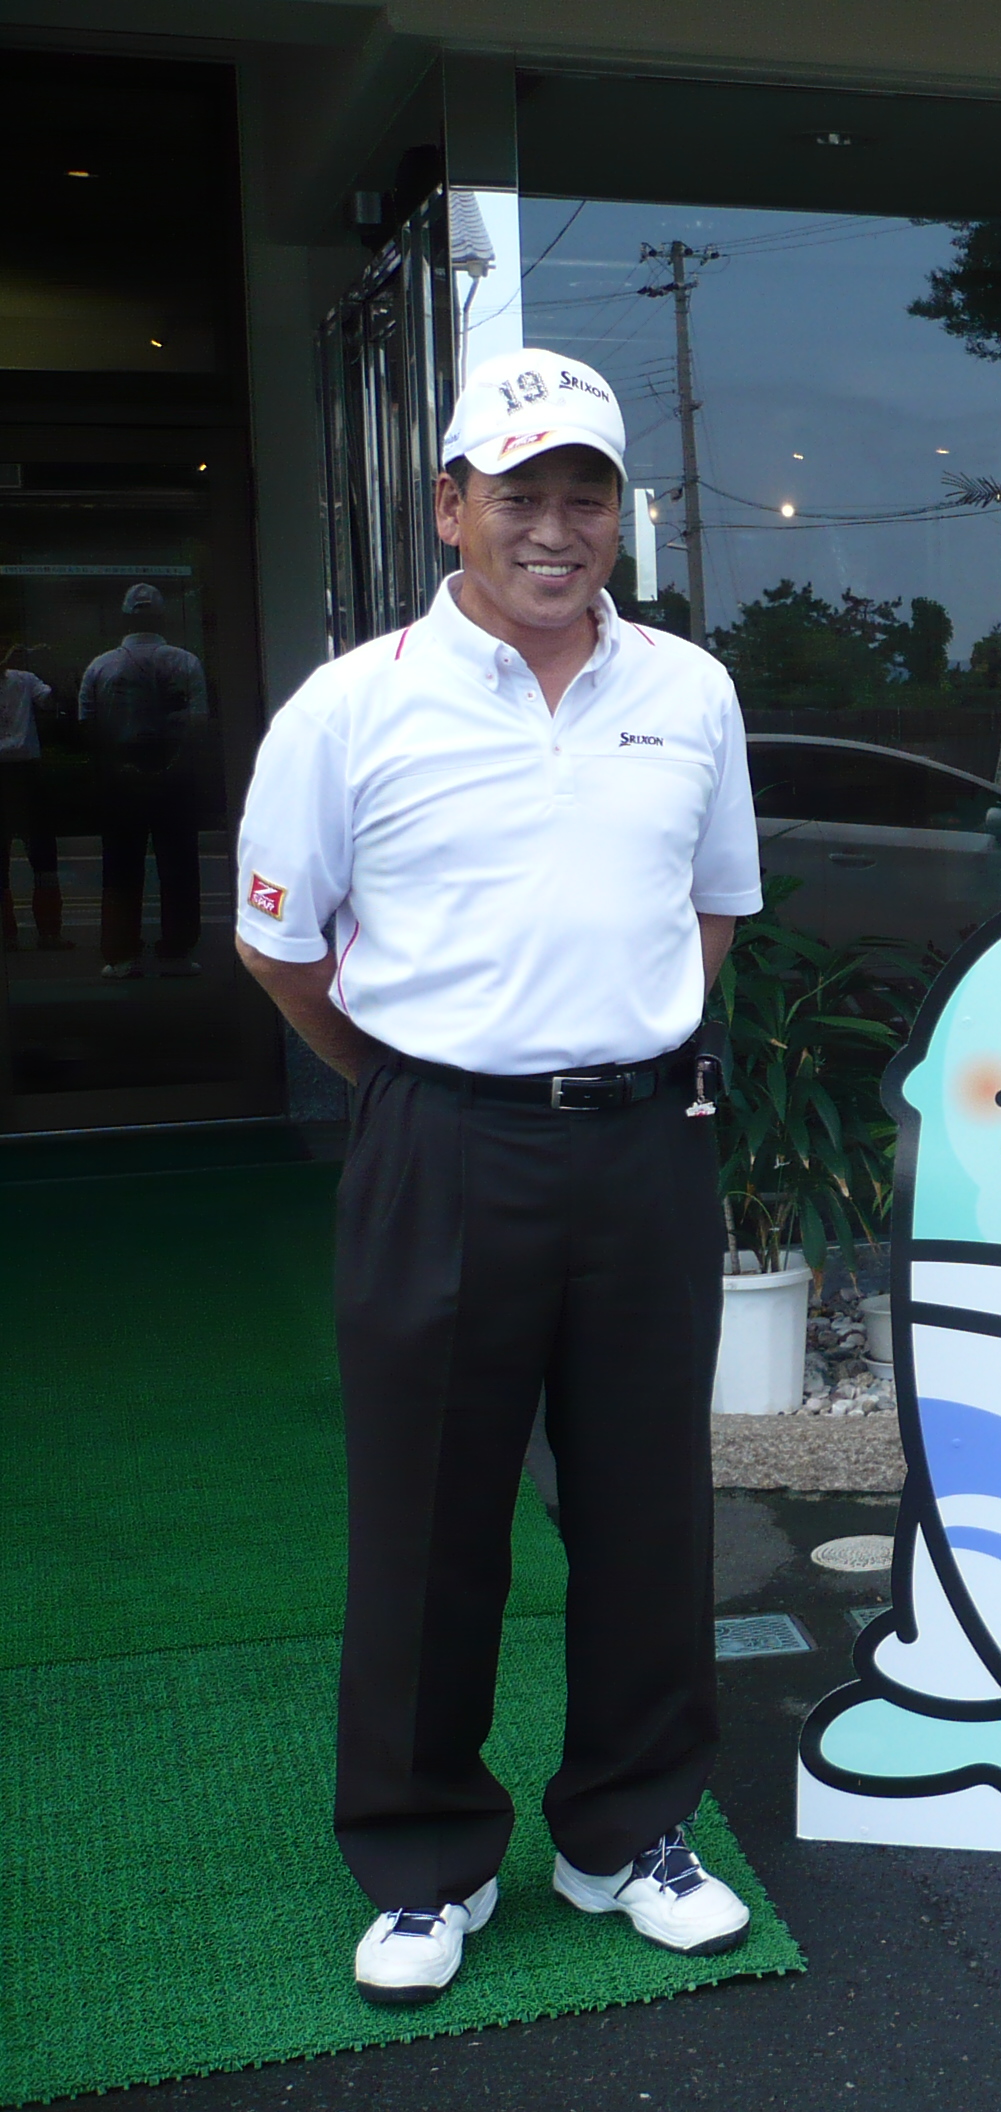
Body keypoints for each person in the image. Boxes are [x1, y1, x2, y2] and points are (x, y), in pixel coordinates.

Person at [235, 348, 763, 2007]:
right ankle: (423, 1860)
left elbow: (714, 910)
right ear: (449, 504)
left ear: (621, 514)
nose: (555, 526)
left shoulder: (689, 689)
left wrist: (614, 1052)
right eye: (519, 492)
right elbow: (281, 949)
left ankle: (629, 1831)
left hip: (645, 1146)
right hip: (442, 1143)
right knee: (428, 1520)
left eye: (585, 494)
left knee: (646, 1509)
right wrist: (419, 1092)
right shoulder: (351, 704)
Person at [78, 583, 208, 977]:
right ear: (161, 617)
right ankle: (177, 950)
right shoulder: (185, 662)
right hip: (173, 776)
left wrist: (115, 766)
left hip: (120, 778)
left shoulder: (101, 666)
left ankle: (121, 953)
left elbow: (88, 725)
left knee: (120, 867)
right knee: (179, 865)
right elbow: (199, 723)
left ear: (125, 618)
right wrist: (176, 766)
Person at [0, 645, 68, 952]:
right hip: (22, 772)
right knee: (36, 853)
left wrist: (52, 672)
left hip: (24, 772)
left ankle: (45, 931)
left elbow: (49, 700)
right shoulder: (23, 678)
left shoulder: (24, 679)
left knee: (43, 854)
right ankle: (26, 933)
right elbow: (49, 700)